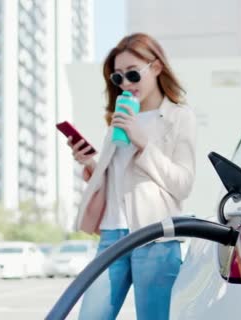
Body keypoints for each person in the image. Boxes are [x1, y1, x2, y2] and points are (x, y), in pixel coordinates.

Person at [67, 32, 197, 320]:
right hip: (112, 235)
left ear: (156, 67)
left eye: (132, 74)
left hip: (155, 236)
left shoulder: (179, 117)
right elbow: (116, 180)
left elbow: (182, 183)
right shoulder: (119, 117)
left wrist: (143, 143)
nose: (125, 84)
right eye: (117, 78)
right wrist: (90, 162)